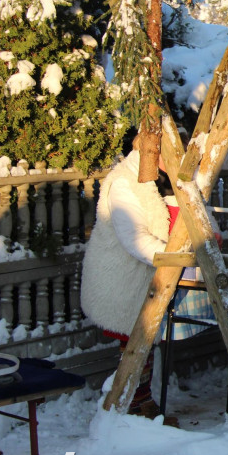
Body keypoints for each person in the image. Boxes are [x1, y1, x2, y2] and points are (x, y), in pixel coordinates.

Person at [80, 131, 174, 417]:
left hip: (143, 277)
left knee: (143, 342)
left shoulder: (150, 180)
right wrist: (172, 258)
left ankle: (141, 403)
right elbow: (135, 239)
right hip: (120, 279)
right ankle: (130, 407)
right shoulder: (124, 182)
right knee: (134, 344)